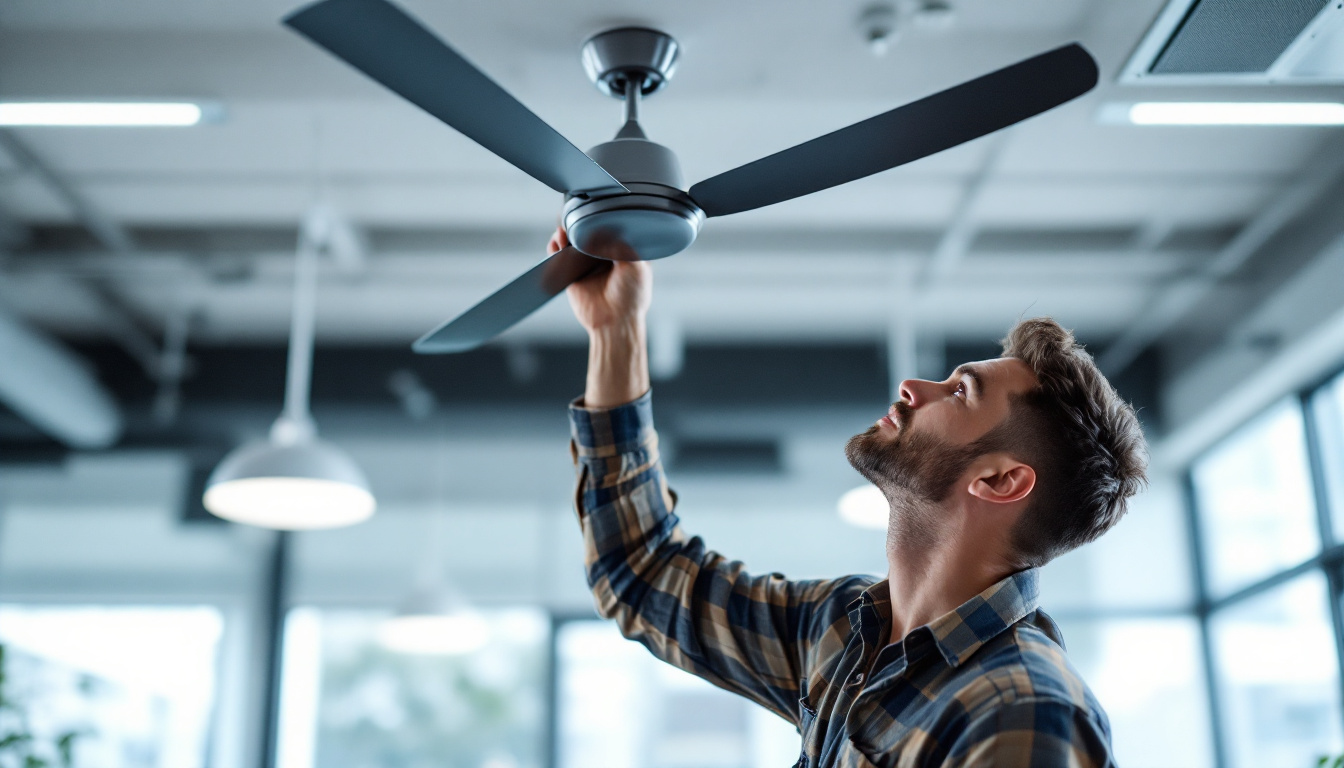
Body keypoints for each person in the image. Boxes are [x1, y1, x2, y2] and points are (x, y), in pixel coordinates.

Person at [556, 225, 1148, 768]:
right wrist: (617, 332)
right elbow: (642, 575)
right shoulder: (846, 629)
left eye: (960, 391)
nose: (914, 386)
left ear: (999, 481)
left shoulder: (1022, 710)